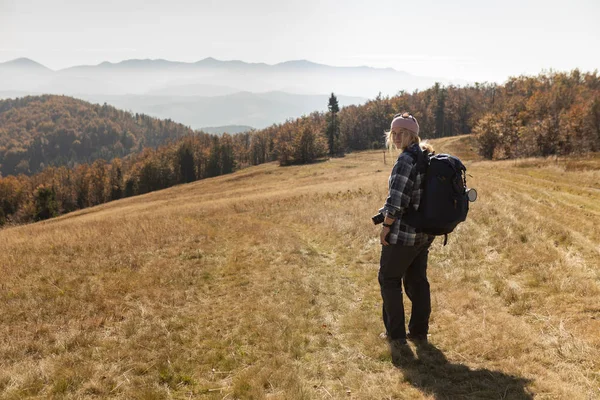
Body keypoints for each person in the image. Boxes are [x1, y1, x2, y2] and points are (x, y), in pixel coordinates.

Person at [378, 112, 435, 349]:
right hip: (424, 232)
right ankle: (419, 332)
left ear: (412, 134)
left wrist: (386, 226)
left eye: (402, 133)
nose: (397, 137)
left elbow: (398, 200)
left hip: (404, 234)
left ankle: (396, 335)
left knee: (389, 279)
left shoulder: (405, 160)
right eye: (394, 133)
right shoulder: (425, 156)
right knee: (417, 280)